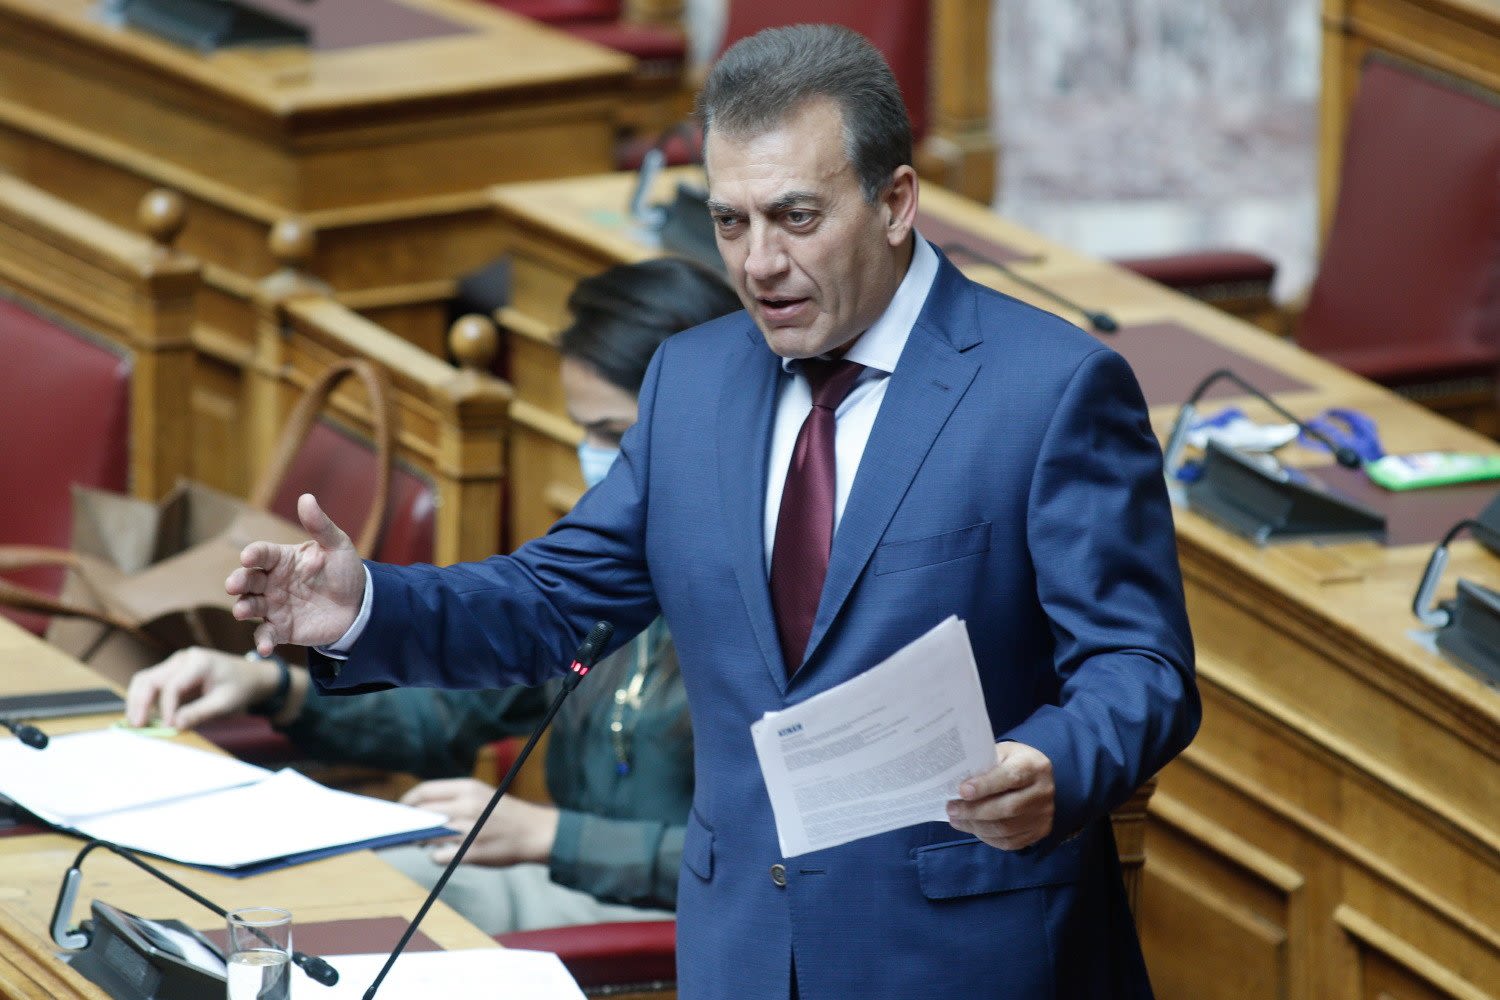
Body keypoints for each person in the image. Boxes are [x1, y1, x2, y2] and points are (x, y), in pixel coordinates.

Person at [227, 25, 1199, 999]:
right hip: (742, 952)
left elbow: (1140, 666)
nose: (759, 262)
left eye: (796, 217)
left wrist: (1055, 762)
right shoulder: (691, 381)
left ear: (896, 202)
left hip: (964, 958)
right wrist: (364, 606)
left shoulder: (1048, 389)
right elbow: (552, 602)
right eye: (730, 222)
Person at [126, 256, 741, 935]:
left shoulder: (760, 599)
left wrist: (548, 835)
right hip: (563, 881)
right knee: (286, 881)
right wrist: (272, 687)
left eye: (614, 435)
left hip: (673, 925)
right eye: (584, 430)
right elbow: (449, 715)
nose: (600, 460)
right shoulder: (608, 567)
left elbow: (772, 859)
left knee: (337, 908)